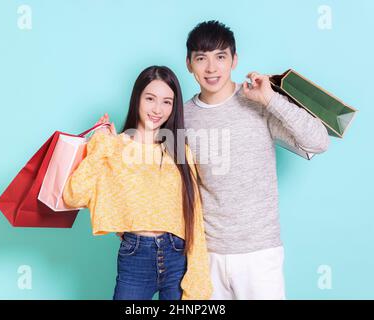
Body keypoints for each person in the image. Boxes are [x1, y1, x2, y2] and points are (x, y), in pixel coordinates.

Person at [183, 20, 330, 299]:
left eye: (220, 57)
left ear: (234, 60)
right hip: (206, 253)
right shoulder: (183, 116)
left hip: (260, 252)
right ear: (189, 63)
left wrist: (271, 100)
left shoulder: (257, 102)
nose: (211, 68)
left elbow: (318, 142)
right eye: (201, 58)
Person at [63, 65, 212, 300]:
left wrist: (198, 281)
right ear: (137, 99)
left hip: (177, 254)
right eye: (150, 98)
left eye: (167, 102)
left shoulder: (179, 150)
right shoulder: (114, 146)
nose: (157, 109)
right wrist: (101, 145)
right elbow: (74, 195)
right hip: (135, 256)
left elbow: (194, 216)